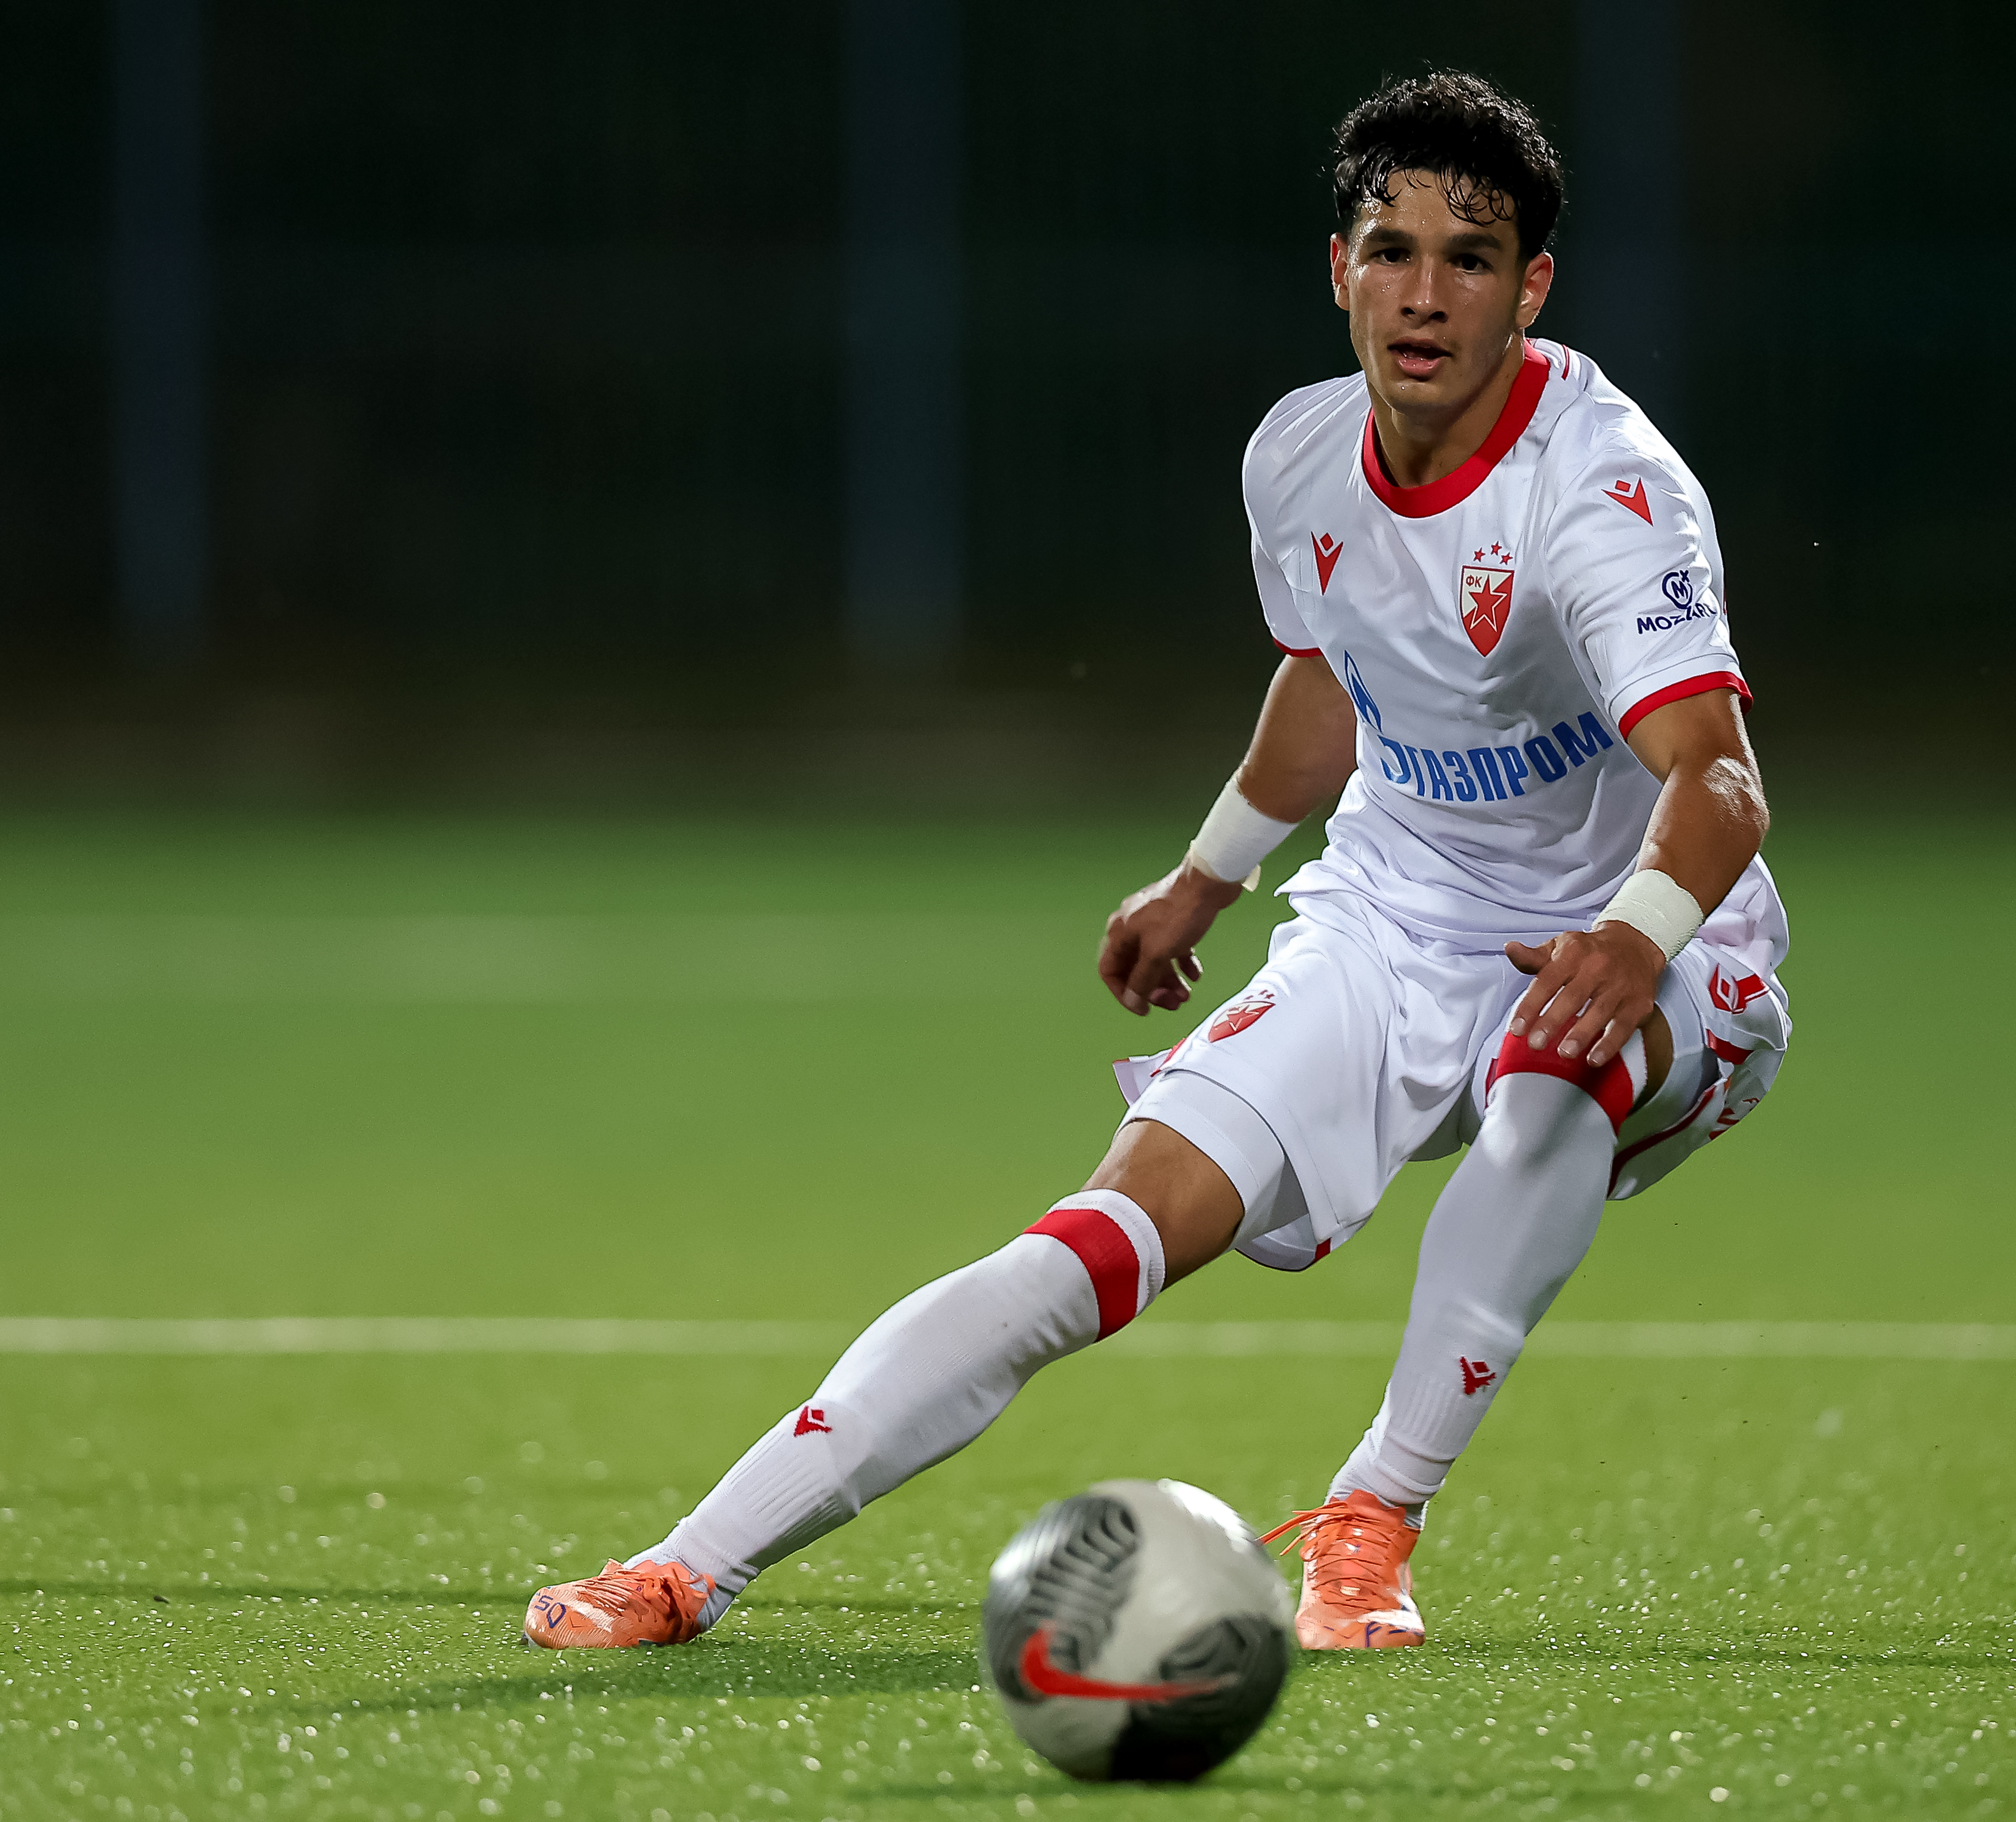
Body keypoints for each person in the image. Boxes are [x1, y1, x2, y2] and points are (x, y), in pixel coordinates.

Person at [522, 69, 1789, 1657]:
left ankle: (1370, 1517)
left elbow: (1719, 780)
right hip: (1391, 916)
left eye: (1469, 259)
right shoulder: (1297, 458)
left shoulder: (1603, 491)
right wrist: (1210, 873)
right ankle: (686, 1565)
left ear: (1530, 288)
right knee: (1102, 1234)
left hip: (1667, 940)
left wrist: (1630, 934)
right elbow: (1334, 671)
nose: (1421, 292)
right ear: (1336, 267)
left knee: (1551, 1064)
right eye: (1388, 249)